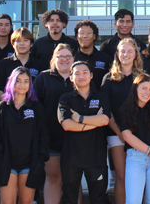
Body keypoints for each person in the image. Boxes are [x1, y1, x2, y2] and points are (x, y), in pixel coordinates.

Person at [0, 27, 48, 191]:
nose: (22, 44)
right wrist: (11, 105)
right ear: (12, 44)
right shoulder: (4, 63)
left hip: (31, 125)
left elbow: (42, 91)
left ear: (31, 43)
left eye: (25, 41)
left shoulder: (40, 65)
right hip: (9, 115)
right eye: (18, 41)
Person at [0, 66, 50, 204]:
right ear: (12, 82)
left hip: (29, 163)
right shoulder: (3, 107)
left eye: (26, 81)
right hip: (6, 163)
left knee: (26, 201)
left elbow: (43, 135)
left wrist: (40, 156)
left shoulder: (36, 108)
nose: (22, 85)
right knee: (7, 202)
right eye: (18, 81)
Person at [58, 62, 112, 204]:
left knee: (98, 199)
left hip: (96, 157)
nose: (81, 76)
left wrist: (80, 119)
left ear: (91, 75)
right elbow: (67, 125)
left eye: (84, 72)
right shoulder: (65, 98)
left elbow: (105, 120)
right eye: (77, 73)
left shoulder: (101, 96)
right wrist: (93, 122)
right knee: (70, 199)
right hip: (71, 158)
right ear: (71, 78)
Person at [102, 38, 145, 204]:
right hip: (116, 134)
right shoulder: (109, 78)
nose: (126, 54)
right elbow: (105, 109)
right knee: (121, 176)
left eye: (130, 51)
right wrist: (120, 132)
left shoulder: (143, 77)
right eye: (123, 51)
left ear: (135, 54)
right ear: (117, 55)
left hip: (139, 134)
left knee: (136, 177)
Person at [33, 44, 77, 204]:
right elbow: (34, 106)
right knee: (53, 177)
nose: (64, 60)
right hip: (50, 137)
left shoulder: (80, 77)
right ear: (54, 59)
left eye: (68, 56)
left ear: (73, 59)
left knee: (73, 180)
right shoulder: (43, 78)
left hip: (76, 138)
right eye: (61, 56)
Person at [118, 74, 150, 204]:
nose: (147, 92)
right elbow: (127, 136)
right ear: (136, 88)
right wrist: (149, 151)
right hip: (135, 158)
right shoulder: (125, 109)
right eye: (144, 88)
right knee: (133, 200)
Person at [73, 20, 112, 90]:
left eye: (89, 33)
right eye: (81, 33)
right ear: (77, 36)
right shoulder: (72, 58)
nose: (85, 36)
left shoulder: (105, 58)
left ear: (94, 36)